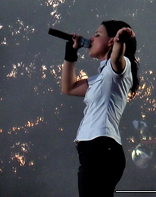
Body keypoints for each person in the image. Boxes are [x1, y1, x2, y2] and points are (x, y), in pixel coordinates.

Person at [61, 20, 139, 196]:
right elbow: (68, 87)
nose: (91, 38)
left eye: (97, 35)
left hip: (102, 148)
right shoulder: (98, 78)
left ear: (111, 41)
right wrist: (71, 54)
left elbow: (117, 58)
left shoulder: (119, 67)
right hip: (93, 151)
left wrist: (120, 41)